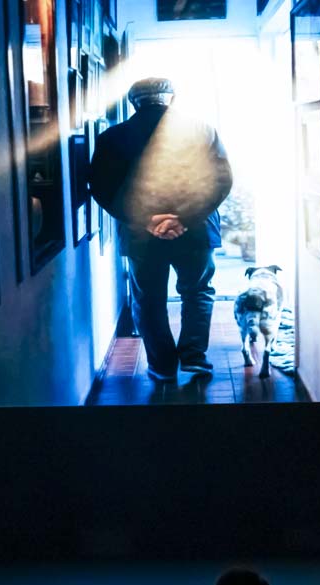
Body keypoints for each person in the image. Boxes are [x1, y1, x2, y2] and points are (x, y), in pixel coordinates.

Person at [89, 77, 233, 381]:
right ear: (172, 98)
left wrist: (146, 220)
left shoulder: (112, 137)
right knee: (197, 292)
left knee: (148, 299)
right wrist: (183, 218)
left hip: (141, 236)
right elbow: (221, 180)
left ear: (134, 103)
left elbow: (102, 187)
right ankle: (194, 357)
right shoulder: (202, 130)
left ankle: (162, 365)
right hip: (195, 231)